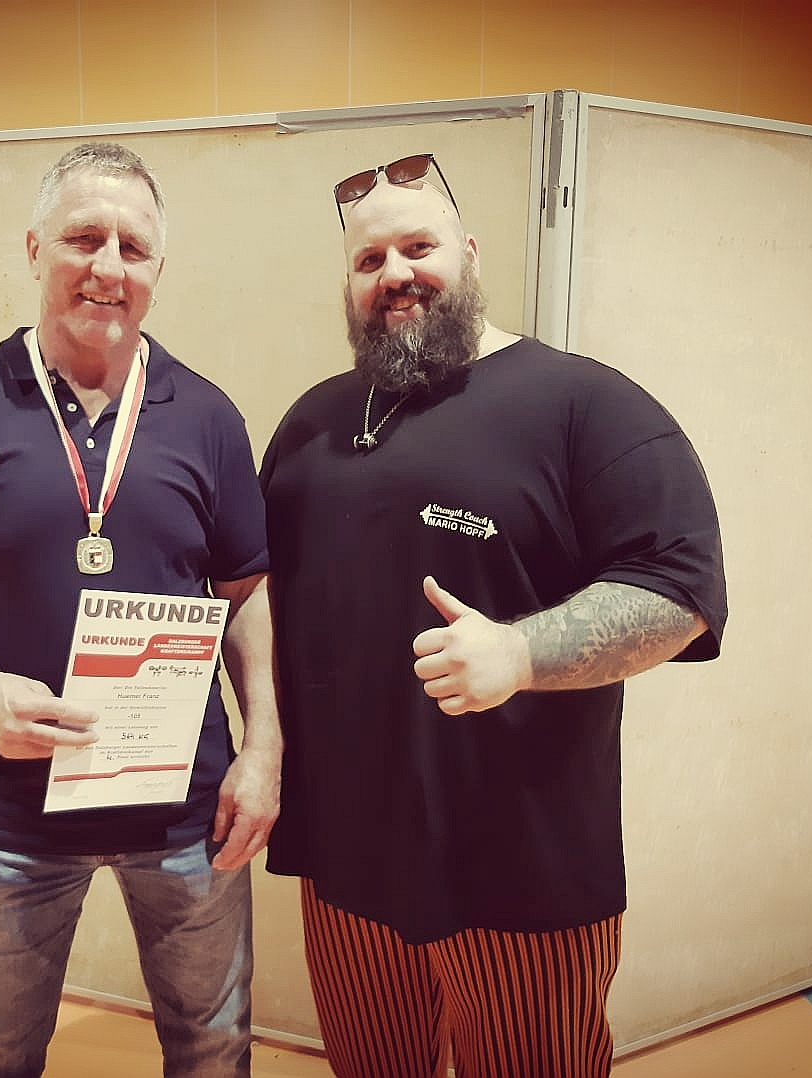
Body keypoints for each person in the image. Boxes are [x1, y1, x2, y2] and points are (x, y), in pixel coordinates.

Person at [260, 153, 727, 1078]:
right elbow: (256, 597)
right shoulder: (311, 423)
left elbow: (679, 589)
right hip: (345, 858)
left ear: (469, 252)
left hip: (520, 870)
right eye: (369, 260)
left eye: (419, 247)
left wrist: (521, 652)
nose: (395, 273)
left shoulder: (584, 404)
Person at [0, 142, 280, 1078]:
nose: (108, 268)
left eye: (134, 247)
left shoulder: (208, 418)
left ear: (158, 269)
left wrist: (264, 751)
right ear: (33, 249)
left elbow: (247, 590)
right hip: (7, 818)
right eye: (83, 239)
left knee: (214, 1054)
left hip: (187, 815)